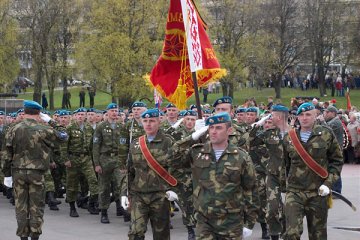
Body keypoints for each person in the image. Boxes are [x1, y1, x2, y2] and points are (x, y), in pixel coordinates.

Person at [171, 112, 258, 239]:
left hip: (231, 221)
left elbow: (251, 189)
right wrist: (192, 137)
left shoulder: (241, 156)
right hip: (204, 220)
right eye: (210, 128)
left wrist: (249, 223)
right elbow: (171, 158)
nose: (213, 131)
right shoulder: (197, 152)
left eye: (218, 128)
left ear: (229, 130)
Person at [2, 100, 68, 240]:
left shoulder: (13, 129)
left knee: (21, 206)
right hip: (37, 173)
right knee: (36, 205)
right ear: (39, 113)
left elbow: (6, 154)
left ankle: (23, 236)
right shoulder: (44, 129)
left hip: (18, 172)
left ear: (24, 112)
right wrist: (51, 120)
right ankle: (35, 236)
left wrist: (6, 175)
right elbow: (63, 135)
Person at [282, 102, 343, 240]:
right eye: (301, 115)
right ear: (297, 117)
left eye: (308, 114)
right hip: (295, 192)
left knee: (318, 235)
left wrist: (328, 184)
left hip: (318, 193)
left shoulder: (326, 134)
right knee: (291, 233)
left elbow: (337, 161)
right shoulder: (289, 138)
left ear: (315, 115)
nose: (305, 118)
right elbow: (285, 165)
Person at [121, 109, 177, 240]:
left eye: (152, 121)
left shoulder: (168, 142)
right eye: (145, 121)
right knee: (135, 233)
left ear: (159, 121)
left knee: (161, 234)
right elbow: (130, 171)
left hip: (160, 196)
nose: (148, 124)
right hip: (138, 196)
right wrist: (124, 193)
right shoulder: (136, 143)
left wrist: (174, 190)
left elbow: (177, 169)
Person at [64, 107, 99, 217]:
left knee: (93, 180)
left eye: (82, 114)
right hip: (73, 159)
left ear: (85, 116)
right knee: (72, 184)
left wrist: (94, 159)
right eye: (78, 115)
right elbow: (64, 145)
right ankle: (72, 207)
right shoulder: (70, 128)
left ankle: (91, 203)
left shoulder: (89, 128)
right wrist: (66, 159)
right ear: (75, 116)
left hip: (86, 159)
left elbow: (93, 144)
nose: (80, 116)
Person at [93, 103, 125, 224]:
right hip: (104, 159)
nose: (114, 113)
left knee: (121, 184)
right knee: (104, 187)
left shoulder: (121, 126)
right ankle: (104, 212)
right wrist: (96, 163)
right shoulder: (101, 126)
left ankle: (122, 208)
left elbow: (124, 144)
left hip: (117, 159)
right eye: (112, 111)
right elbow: (95, 146)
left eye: (116, 111)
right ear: (107, 113)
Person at [323, 106, 344, 194]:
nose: (325, 114)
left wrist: (321, 121)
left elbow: (326, 130)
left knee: (335, 169)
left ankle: (337, 190)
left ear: (333, 113)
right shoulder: (332, 121)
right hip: (332, 149)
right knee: (331, 169)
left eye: (327, 112)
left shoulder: (335, 122)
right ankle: (334, 189)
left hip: (335, 150)